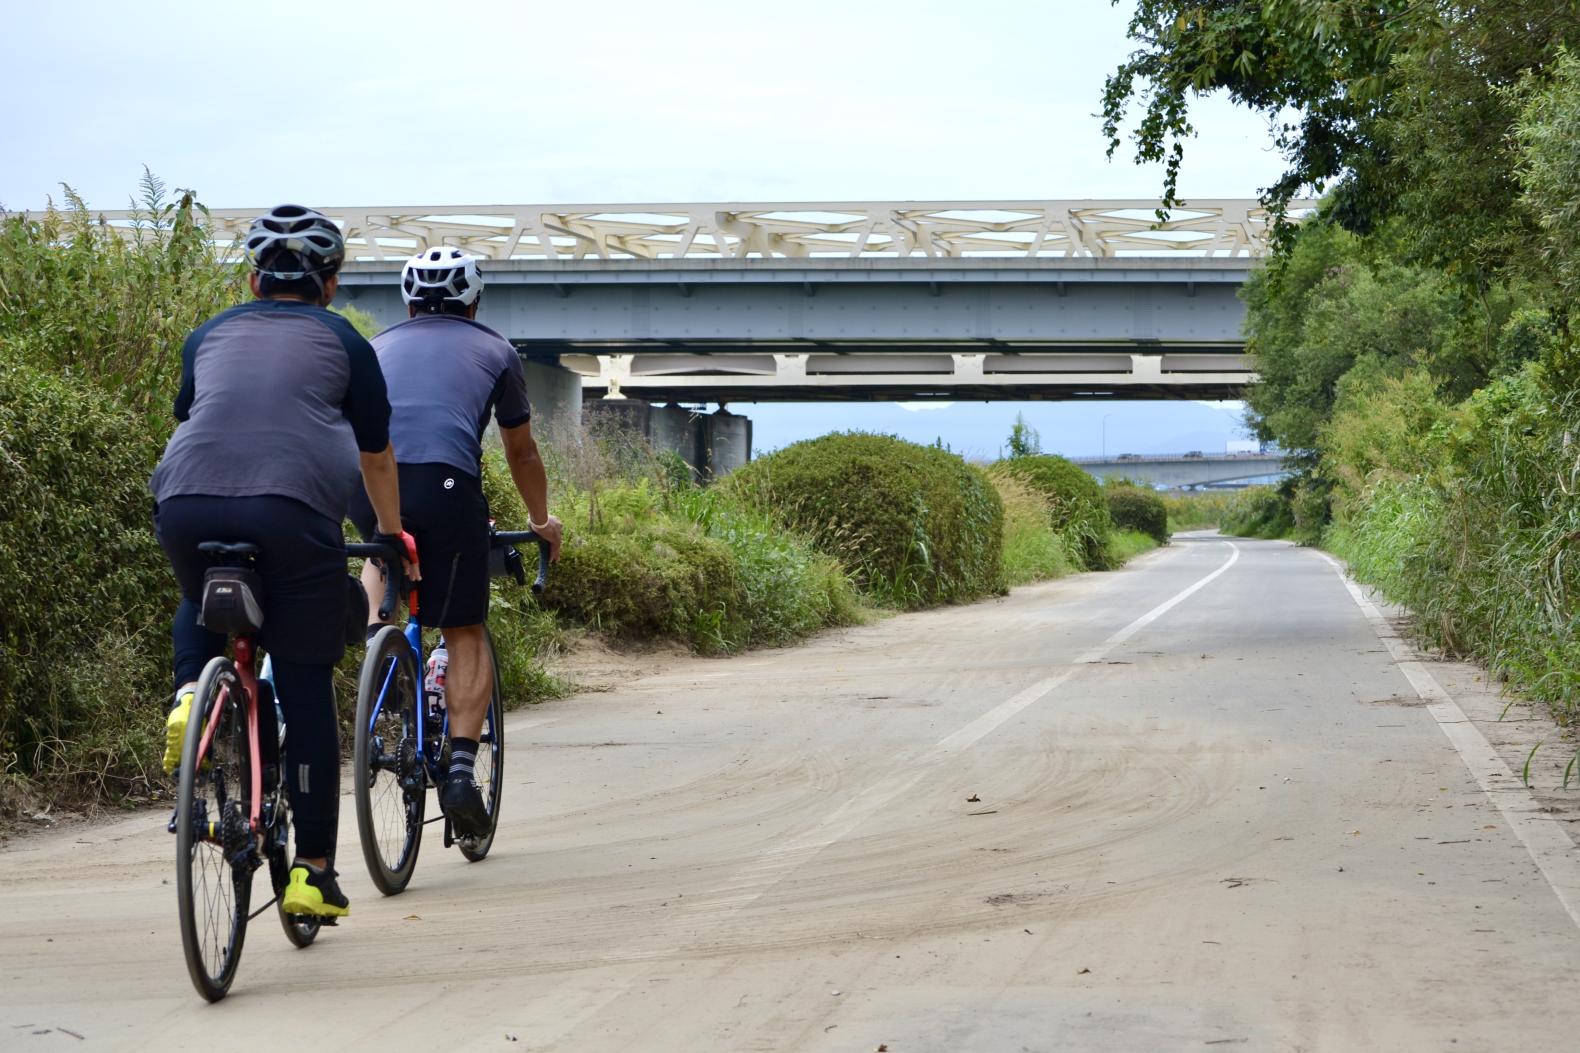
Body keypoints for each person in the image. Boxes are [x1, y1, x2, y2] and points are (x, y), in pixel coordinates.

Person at [150, 204, 419, 919]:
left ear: (252, 278)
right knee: (303, 680)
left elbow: (193, 416)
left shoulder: (208, 333)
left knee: (199, 588)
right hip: (293, 512)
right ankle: (312, 872)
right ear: (330, 285)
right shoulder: (345, 341)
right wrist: (391, 537)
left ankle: (188, 695)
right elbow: (376, 454)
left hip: (183, 498)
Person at [350, 246, 563, 839]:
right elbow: (520, 451)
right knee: (464, 628)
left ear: (409, 302)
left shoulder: (376, 347)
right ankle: (464, 770)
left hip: (365, 479)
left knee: (383, 543)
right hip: (445, 482)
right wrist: (541, 519)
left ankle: (378, 651)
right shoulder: (496, 350)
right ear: (474, 302)